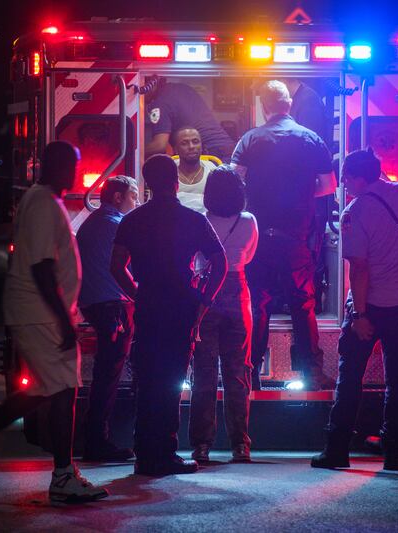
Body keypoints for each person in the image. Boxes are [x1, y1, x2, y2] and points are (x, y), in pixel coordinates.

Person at [0, 141, 107, 502]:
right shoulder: (41, 203)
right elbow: (41, 266)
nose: (74, 172)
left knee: (38, 391)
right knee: (65, 388)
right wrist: (63, 321)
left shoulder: (45, 202)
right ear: (52, 166)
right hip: (39, 315)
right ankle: (63, 476)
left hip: (38, 314)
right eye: (69, 164)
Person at [311, 149, 398, 471]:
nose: (345, 185)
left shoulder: (355, 211)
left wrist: (361, 315)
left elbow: (360, 268)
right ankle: (394, 454)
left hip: (372, 308)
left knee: (350, 378)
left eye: (346, 179)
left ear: (354, 177)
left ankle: (337, 450)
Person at [111, 154, 228, 476]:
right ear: (176, 181)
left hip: (149, 304)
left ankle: (144, 453)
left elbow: (116, 266)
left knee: (147, 379)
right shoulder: (193, 219)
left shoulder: (132, 220)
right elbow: (221, 263)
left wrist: (137, 293)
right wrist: (204, 301)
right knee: (173, 380)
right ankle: (165, 452)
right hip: (182, 307)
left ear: (147, 183)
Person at [232, 80, 337, 391]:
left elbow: (233, 182)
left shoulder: (250, 140)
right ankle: (312, 374)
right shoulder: (312, 139)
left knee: (257, 304)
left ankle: (249, 375)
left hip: (258, 239)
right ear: (289, 105)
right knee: (302, 304)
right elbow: (329, 185)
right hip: (296, 238)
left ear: (265, 106)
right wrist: (305, 195)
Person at [189, 166, 258, 464]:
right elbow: (250, 255)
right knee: (238, 373)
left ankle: (201, 445)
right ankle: (240, 444)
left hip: (206, 295)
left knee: (204, 374)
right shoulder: (248, 221)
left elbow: (194, 259)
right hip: (237, 294)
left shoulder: (200, 221)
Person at [76, 175, 139, 463]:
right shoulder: (117, 225)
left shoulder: (92, 223)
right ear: (117, 198)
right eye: (133, 196)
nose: (135, 202)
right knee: (107, 377)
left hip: (95, 304)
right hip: (112, 306)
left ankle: (94, 438)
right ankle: (97, 441)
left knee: (105, 375)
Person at [284, 78, 335, 316]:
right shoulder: (304, 100)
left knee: (309, 252)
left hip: (310, 200)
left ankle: (309, 304)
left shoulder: (308, 103)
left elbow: (307, 152)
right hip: (306, 197)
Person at [145, 81, 235, 162]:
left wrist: (135, 152)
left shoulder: (159, 103)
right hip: (229, 149)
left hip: (210, 154)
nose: (142, 97)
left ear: (152, 85)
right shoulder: (182, 88)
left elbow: (159, 145)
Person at [172, 126, 218, 213]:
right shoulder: (168, 172)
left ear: (201, 147)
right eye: (184, 143)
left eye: (195, 142)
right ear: (176, 149)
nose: (191, 146)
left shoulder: (212, 171)